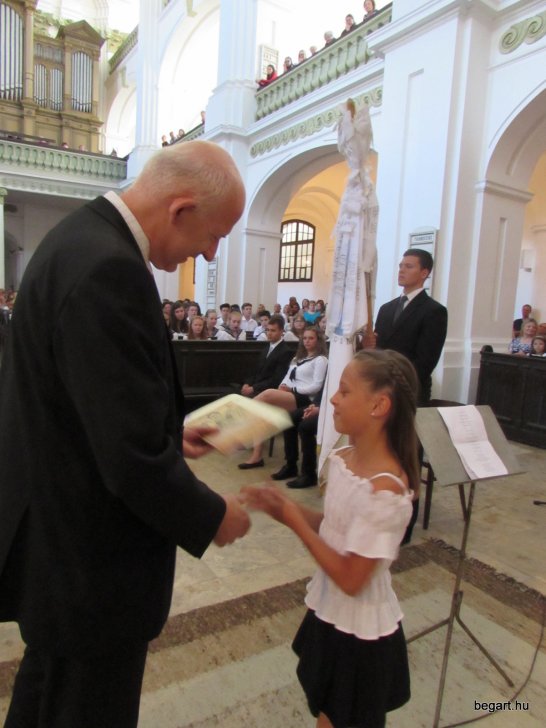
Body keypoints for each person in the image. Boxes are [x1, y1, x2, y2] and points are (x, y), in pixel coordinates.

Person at [0, 140, 251, 728]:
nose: (210, 254)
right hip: (90, 566)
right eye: (214, 235)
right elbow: (129, 458)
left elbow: (85, 405)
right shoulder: (109, 268)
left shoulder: (75, 239)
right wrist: (213, 515)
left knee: (47, 701)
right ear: (180, 208)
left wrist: (169, 431)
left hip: (60, 550)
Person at [242, 349, 416, 727]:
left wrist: (294, 520)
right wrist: (284, 509)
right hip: (332, 611)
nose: (333, 399)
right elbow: (333, 526)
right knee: (328, 712)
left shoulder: (386, 491)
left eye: (344, 391)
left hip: (362, 633)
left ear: (379, 405)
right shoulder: (345, 457)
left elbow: (352, 578)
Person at [239, 327, 328, 468]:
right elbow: (287, 377)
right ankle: (256, 456)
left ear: (318, 340)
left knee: (267, 394)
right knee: (260, 411)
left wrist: (292, 389)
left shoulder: (320, 360)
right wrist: (282, 386)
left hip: (305, 398)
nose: (307, 341)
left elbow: (316, 386)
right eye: (305, 338)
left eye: (311, 338)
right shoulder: (298, 358)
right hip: (290, 394)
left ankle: (241, 416)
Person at [372, 248, 448, 406]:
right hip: (380, 386)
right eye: (401, 266)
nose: (401, 270)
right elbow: (379, 348)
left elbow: (425, 362)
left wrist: (394, 382)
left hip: (409, 389)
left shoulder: (434, 311)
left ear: (424, 273)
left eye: (409, 266)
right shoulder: (386, 308)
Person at [271, 397, 322, 489]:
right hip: (320, 405)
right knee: (288, 419)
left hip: (331, 410)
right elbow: (323, 392)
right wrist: (314, 405)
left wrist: (319, 409)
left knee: (305, 427)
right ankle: (291, 465)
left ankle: (309, 474)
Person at [240, 315, 293, 398]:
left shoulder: (285, 351)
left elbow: (276, 379)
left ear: (281, 331)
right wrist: (247, 383)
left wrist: (253, 388)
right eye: (267, 330)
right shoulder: (266, 348)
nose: (269, 333)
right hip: (255, 387)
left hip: (267, 392)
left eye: (273, 330)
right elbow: (255, 370)